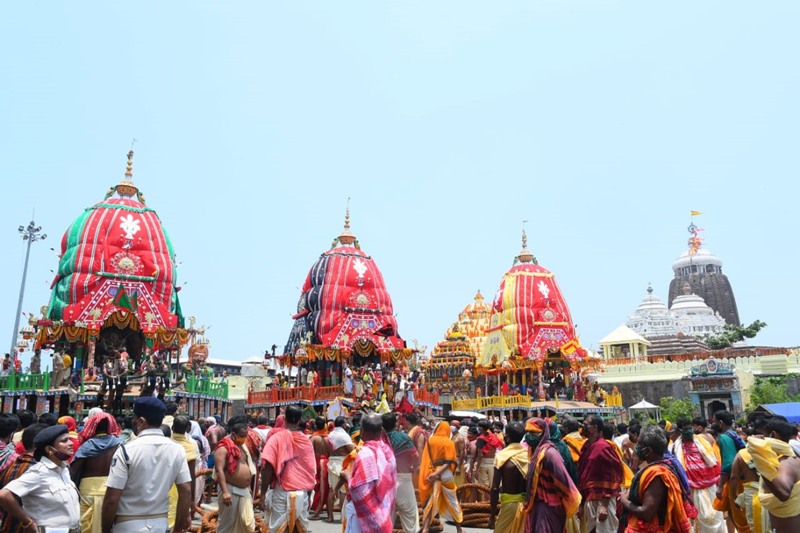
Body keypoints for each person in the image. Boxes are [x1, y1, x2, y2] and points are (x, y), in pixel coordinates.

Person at [101, 397, 192, 533]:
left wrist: (105, 529)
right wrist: (178, 528)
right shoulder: (177, 449)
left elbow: (112, 499)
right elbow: (186, 490)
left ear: (141, 421)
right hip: (160, 524)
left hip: (126, 525)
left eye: (134, 418)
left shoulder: (126, 450)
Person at [0, 424, 81, 532]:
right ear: (49, 449)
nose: (71, 443)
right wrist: (28, 522)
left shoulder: (63, 469)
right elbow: (4, 495)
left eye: (69, 439)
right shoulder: (39, 472)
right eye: (64, 441)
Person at [619, 425, 692, 532]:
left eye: (639, 444)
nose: (636, 447)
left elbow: (646, 513)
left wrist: (624, 500)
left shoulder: (656, 474)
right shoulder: (663, 465)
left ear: (648, 450)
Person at [260, 405, 316, 533]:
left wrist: (263, 493)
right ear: (299, 420)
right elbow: (311, 469)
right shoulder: (306, 441)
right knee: (299, 529)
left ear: (284, 418)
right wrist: (308, 493)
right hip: (302, 492)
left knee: (280, 530)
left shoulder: (276, 439)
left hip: (282, 492)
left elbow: (267, 467)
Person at [520, 418, 581, 533]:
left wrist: (573, 505)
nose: (529, 436)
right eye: (527, 432)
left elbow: (565, 482)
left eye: (533, 433)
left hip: (549, 508)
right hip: (537, 507)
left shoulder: (550, 454)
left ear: (544, 433)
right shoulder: (536, 452)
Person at [341, 413, 397, 533]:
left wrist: (347, 477)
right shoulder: (387, 450)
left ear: (362, 431)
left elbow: (358, 488)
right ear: (380, 430)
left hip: (365, 514)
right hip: (384, 509)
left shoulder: (365, 453)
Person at [745, 417, 800, 533]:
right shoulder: (790, 459)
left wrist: (761, 460)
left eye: (762, 435)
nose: (759, 439)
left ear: (773, 435)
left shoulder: (785, 463)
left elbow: (784, 494)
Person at [70, 412, 121, 533]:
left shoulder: (87, 446)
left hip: (88, 491)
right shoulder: (119, 445)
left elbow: (73, 471)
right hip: (112, 489)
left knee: (85, 526)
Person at [672, 418, 725, 533]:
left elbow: (713, 460)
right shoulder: (675, 447)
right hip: (691, 487)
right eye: (685, 429)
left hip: (710, 484)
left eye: (689, 428)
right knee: (699, 517)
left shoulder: (703, 442)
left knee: (715, 512)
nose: (688, 431)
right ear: (680, 431)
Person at [577, 415, 623, 533]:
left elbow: (613, 477)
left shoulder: (603, 447)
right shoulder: (586, 446)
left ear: (594, 428)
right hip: (589, 499)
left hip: (603, 502)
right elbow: (583, 475)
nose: (582, 426)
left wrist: (604, 504)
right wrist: (581, 504)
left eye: (585, 424)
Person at [214, 415, 257, 533]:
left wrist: (248, 486)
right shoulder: (223, 447)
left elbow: (248, 464)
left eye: (245, 435)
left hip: (244, 490)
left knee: (247, 523)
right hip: (230, 489)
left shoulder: (243, 446)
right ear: (233, 434)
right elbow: (219, 470)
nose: (244, 438)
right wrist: (225, 492)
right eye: (242, 436)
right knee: (227, 524)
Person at [0, 423, 45, 532]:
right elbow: (5, 495)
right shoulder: (33, 468)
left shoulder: (14, 461)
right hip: (19, 527)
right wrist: (28, 522)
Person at [420, 421, 463, 533]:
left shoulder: (430, 440)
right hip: (446, 474)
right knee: (453, 501)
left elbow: (426, 458)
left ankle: (425, 528)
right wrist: (439, 473)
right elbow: (449, 461)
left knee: (431, 501)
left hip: (432, 473)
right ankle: (459, 529)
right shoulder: (449, 442)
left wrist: (434, 473)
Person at [730, 415, 770, 533]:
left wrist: (734, 497)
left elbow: (733, 478)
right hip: (771, 494)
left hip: (751, 496)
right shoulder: (773, 451)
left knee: (754, 527)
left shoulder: (742, 454)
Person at [488, 421, 529, 533]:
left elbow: (495, 489)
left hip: (509, 506)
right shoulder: (529, 455)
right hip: (527, 505)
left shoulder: (501, 456)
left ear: (507, 438)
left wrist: (492, 515)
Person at [712, 410, 749, 532]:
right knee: (735, 511)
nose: (713, 424)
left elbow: (728, 464)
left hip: (735, 481)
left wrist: (720, 486)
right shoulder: (734, 435)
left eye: (714, 421)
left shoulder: (724, 437)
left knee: (737, 513)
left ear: (720, 423)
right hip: (744, 479)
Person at [383, 412, 419, 533]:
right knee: (410, 515)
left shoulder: (379, 439)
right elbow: (415, 455)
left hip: (384, 481)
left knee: (387, 517)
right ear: (396, 423)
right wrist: (414, 466)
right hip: (403, 478)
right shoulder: (403, 438)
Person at [170, 416, 199, 529]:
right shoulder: (191, 445)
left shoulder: (167, 442)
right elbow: (191, 475)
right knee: (180, 524)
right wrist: (192, 499)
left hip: (166, 486)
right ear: (188, 429)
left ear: (172, 427)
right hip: (183, 488)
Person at [472, 420, 503, 498]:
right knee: (493, 485)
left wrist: (476, 469)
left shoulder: (480, 439)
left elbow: (480, 455)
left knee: (484, 487)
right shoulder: (494, 437)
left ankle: (487, 504)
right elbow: (501, 446)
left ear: (481, 428)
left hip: (483, 463)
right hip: (493, 462)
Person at [310, 416, 331, 520]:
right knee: (324, 485)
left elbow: (309, 453)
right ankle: (322, 508)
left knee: (319, 486)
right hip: (326, 462)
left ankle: (317, 509)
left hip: (316, 462)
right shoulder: (329, 438)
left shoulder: (313, 438)